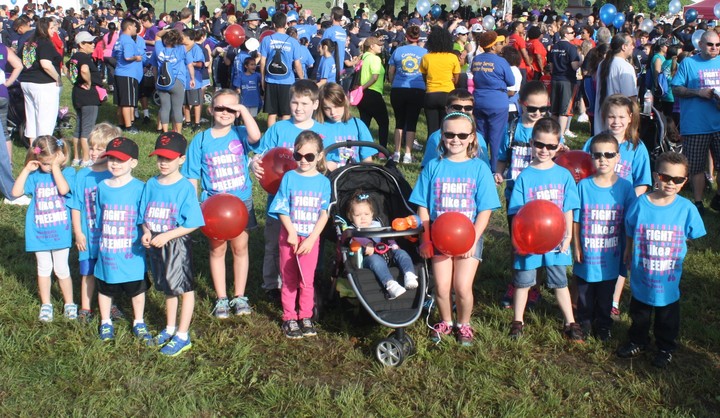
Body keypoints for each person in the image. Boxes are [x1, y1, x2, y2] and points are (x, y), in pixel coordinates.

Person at [410, 112, 500, 346]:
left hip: (469, 237)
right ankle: (446, 321)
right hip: (438, 237)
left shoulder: (480, 168)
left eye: (462, 135)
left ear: (472, 138)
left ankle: (464, 323)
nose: (455, 139)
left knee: (461, 286)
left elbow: (485, 210)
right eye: (449, 134)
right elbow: (423, 207)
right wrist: (426, 240)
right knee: (441, 286)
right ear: (442, 136)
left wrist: (472, 239)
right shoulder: (433, 166)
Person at [617, 152, 706, 368]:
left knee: (667, 317)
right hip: (642, 272)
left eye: (678, 179)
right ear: (657, 176)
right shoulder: (641, 203)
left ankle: (665, 348)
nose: (671, 183)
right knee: (639, 313)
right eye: (666, 177)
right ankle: (638, 340)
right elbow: (630, 228)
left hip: (668, 278)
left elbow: (694, 235)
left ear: (685, 181)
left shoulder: (687, 209)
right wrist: (628, 249)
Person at [182, 89, 261, 318]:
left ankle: (239, 296)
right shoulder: (201, 139)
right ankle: (221, 299)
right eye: (220, 108)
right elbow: (192, 176)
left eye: (231, 108)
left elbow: (256, 137)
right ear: (210, 110)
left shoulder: (240, 133)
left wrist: (244, 111)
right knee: (217, 250)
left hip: (240, 201)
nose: (225, 112)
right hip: (213, 204)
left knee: (240, 247)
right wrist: (194, 205)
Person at [507, 117, 583, 342]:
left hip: (556, 240)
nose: (544, 150)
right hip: (529, 240)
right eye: (539, 144)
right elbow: (516, 214)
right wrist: (517, 242)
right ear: (531, 143)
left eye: (551, 146)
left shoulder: (563, 175)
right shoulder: (524, 176)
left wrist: (567, 235)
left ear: (559, 146)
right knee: (523, 282)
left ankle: (570, 322)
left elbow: (568, 208)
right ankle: (517, 322)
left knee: (560, 282)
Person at [252, 79, 326, 301]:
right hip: (280, 201)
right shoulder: (278, 128)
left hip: (310, 204)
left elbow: (328, 162)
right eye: (295, 102)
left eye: (305, 103)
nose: (298, 108)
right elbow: (261, 155)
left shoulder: (322, 132)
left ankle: (308, 281)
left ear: (315, 104)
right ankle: (272, 285)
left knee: (310, 245)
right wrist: (254, 163)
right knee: (275, 242)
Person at [140, 132, 204, 356]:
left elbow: (194, 222)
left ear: (181, 159)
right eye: (160, 157)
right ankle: (169, 328)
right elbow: (143, 216)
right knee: (168, 286)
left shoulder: (185, 187)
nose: (163, 163)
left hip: (176, 243)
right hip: (157, 242)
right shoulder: (151, 183)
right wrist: (146, 231)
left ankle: (183, 335)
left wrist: (168, 236)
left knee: (184, 289)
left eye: (169, 158)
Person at [572, 134, 636, 341]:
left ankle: (603, 325)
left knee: (606, 294)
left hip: (611, 253)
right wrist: (576, 245)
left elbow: (629, 221)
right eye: (597, 154)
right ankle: (584, 322)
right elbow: (576, 219)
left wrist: (628, 247)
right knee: (584, 292)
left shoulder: (625, 188)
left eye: (609, 154)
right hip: (588, 251)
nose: (603, 159)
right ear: (591, 157)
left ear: (618, 157)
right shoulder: (583, 186)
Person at [493, 81, 551, 309]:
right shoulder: (512, 128)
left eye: (543, 109)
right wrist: (498, 172)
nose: (537, 114)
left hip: (543, 198)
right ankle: (517, 282)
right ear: (520, 104)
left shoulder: (549, 129)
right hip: (516, 198)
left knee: (540, 242)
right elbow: (501, 157)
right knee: (518, 242)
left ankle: (535, 285)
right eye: (532, 109)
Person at [268, 130, 331, 338]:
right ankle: (289, 317)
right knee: (289, 278)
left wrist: (312, 238)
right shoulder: (289, 177)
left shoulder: (323, 182)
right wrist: (292, 233)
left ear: (319, 156)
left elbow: (324, 214)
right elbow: (282, 207)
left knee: (307, 280)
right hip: (290, 237)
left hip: (310, 239)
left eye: (309, 156)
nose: (303, 160)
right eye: (298, 155)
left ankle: (305, 315)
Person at [10, 136, 75, 322]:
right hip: (38, 234)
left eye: (50, 162)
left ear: (60, 156)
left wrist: (55, 167)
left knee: (62, 269)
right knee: (44, 269)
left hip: (60, 232)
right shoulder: (35, 176)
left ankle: (69, 303)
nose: (46, 167)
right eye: (44, 163)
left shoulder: (68, 172)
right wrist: (26, 169)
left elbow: (63, 190)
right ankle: (46, 304)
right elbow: (15, 193)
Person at [93, 137, 150, 343]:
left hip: (132, 253)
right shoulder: (102, 187)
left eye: (121, 160)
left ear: (133, 163)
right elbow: (99, 217)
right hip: (108, 251)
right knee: (105, 288)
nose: (115, 164)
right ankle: (106, 321)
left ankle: (139, 321)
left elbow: (144, 217)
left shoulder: (140, 188)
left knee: (137, 289)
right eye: (111, 159)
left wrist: (146, 233)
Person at [68, 123, 123, 323]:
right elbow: (75, 205)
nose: (93, 152)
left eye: (100, 149)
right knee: (88, 272)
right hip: (88, 234)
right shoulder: (82, 174)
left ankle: (111, 304)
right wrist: (78, 232)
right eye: (91, 147)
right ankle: (85, 307)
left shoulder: (116, 175)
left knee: (108, 271)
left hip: (110, 235)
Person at [670, 30, 720, 215]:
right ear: (700, 45)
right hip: (695, 124)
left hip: (718, 123)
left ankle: (717, 198)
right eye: (710, 44)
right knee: (696, 166)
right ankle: (698, 203)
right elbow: (676, 88)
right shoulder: (689, 63)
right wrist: (697, 92)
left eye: (717, 44)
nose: (714, 48)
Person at [346, 191, 418, 299]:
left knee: (402, 253)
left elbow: (387, 237)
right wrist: (365, 245)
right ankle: (390, 284)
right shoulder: (352, 230)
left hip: (387, 252)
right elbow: (352, 243)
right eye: (357, 215)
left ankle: (409, 275)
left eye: (366, 214)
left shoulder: (379, 224)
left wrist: (393, 245)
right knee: (375, 259)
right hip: (369, 259)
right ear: (350, 216)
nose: (363, 218)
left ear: (372, 214)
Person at [471, 31, 514, 172]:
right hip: (497, 102)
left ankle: (479, 165)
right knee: (496, 137)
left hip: (479, 100)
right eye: (499, 43)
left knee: (481, 134)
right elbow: (511, 81)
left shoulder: (476, 59)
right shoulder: (501, 61)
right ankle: (494, 169)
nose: (501, 45)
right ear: (493, 47)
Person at [18, 17, 63, 144]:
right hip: (43, 84)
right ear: (44, 29)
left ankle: (33, 147)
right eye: (52, 28)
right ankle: (44, 148)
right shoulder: (45, 42)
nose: (55, 31)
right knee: (45, 119)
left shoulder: (28, 42)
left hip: (27, 81)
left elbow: (22, 61)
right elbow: (46, 64)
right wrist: (58, 78)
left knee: (32, 118)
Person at [420, 88, 489, 168]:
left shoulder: (478, 138)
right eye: (457, 107)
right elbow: (427, 168)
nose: (463, 111)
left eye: (468, 108)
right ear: (447, 109)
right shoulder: (436, 137)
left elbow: (485, 167)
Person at [388, 25, 426, 164]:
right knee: (412, 122)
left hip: (399, 88)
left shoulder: (398, 51)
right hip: (417, 89)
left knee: (399, 122)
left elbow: (391, 71)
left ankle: (397, 153)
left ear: (406, 37)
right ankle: (408, 155)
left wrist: (393, 83)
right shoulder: (425, 52)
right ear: (418, 37)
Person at [317, 82, 377, 171]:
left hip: (354, 177)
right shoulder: (318, 127)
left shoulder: (357, 125)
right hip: (329, 176)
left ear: (345, 100)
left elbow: (367, 159)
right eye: (327, 108)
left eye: (336, 106)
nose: (333, 112)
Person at [259, 12, 305, 127]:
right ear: (286, 24)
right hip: (287, 80)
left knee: (272, 112)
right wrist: (302, 78)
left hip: (270, 79)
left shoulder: (266, 40)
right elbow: (297, 64)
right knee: (286, 112)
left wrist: (262, 79)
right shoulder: (293, 42)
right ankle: (283, 135)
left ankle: (271, 136)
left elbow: (262, 62)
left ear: (273, 24)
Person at [69, 31, 104, 167]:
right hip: (88, 96)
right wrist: (88, 82)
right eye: (89, 42)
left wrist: (76, 82)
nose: (92, 44)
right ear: (81, 45)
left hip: (77, 94)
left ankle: (76, 158)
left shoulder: (73, 58)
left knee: (79, 128)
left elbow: (68, 72)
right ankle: (86, 159)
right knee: (87, 129)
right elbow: (84, 70)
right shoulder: (83, 58)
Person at [151, 27, 194, 133]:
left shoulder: (158, 49)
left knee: (164, 107)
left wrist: (167, 31)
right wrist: (178, 36)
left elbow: (157, 35)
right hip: (177, 80)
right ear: (177, 40)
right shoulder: (180, 49)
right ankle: (178, 132)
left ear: (165, 40)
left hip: (162, 81)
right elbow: (191, 43)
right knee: (177, 108)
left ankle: (165, 132)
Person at [593, 33, 637, 135]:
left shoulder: (603, 63)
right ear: (624, 47)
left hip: (604, 114)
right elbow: (630, 97)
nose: (633, 47)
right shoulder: (625, 67)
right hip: (619, 120)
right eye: (631, 44)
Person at [420, 28, 460, 138]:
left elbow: (424, 77)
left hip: (431, 94)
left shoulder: (426, 58)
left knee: (431, 129)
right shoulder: (452, 57)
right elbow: (456, 79)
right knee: (446, 127)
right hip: (447, 94)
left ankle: (431, 150)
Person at [547, 25, 581, 141]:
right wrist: (581, 61)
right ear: (565, 34)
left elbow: (550, 66)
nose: (574, 34)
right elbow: (574, 66)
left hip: (555, 79)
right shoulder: (571, 48)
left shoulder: (554, 47)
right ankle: (560, 136)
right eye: (572, 32)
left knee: (554, 109)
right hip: (567, 80)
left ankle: (552, 133)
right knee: (564, 110)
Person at [113, 19, 146, 134]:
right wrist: (136, 58)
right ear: (129, 27)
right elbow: (127, 57)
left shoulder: (119, 39)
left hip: (120, 72)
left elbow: (114, 55)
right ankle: (128, 126)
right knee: (127, 102)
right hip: (127, 74)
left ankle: (122, 123)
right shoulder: (128, 41)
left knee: (121, 102)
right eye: (135, 27)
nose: (136, 29)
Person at [356, 36, 389, 150]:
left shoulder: (362, 58)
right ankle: (382, 150)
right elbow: (374, 77)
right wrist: (363, 88)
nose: (381, 47)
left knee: (365, 123)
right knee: (384, 122)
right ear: (371, 46)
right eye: (378, 45)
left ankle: (361, 148)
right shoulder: (374, 59)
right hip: (372, 92)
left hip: (361, 96)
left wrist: (360, 89)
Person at [182, 29, 205, 131]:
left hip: (194, 80)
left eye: (182, 36)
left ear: (187, 37)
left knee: (196, 103)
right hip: (183, 79)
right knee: (185, 103)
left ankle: (197, 123)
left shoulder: (196, 48)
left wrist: (190, 63)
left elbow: (200, 64)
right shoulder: (181, 48)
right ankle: (187, 122)